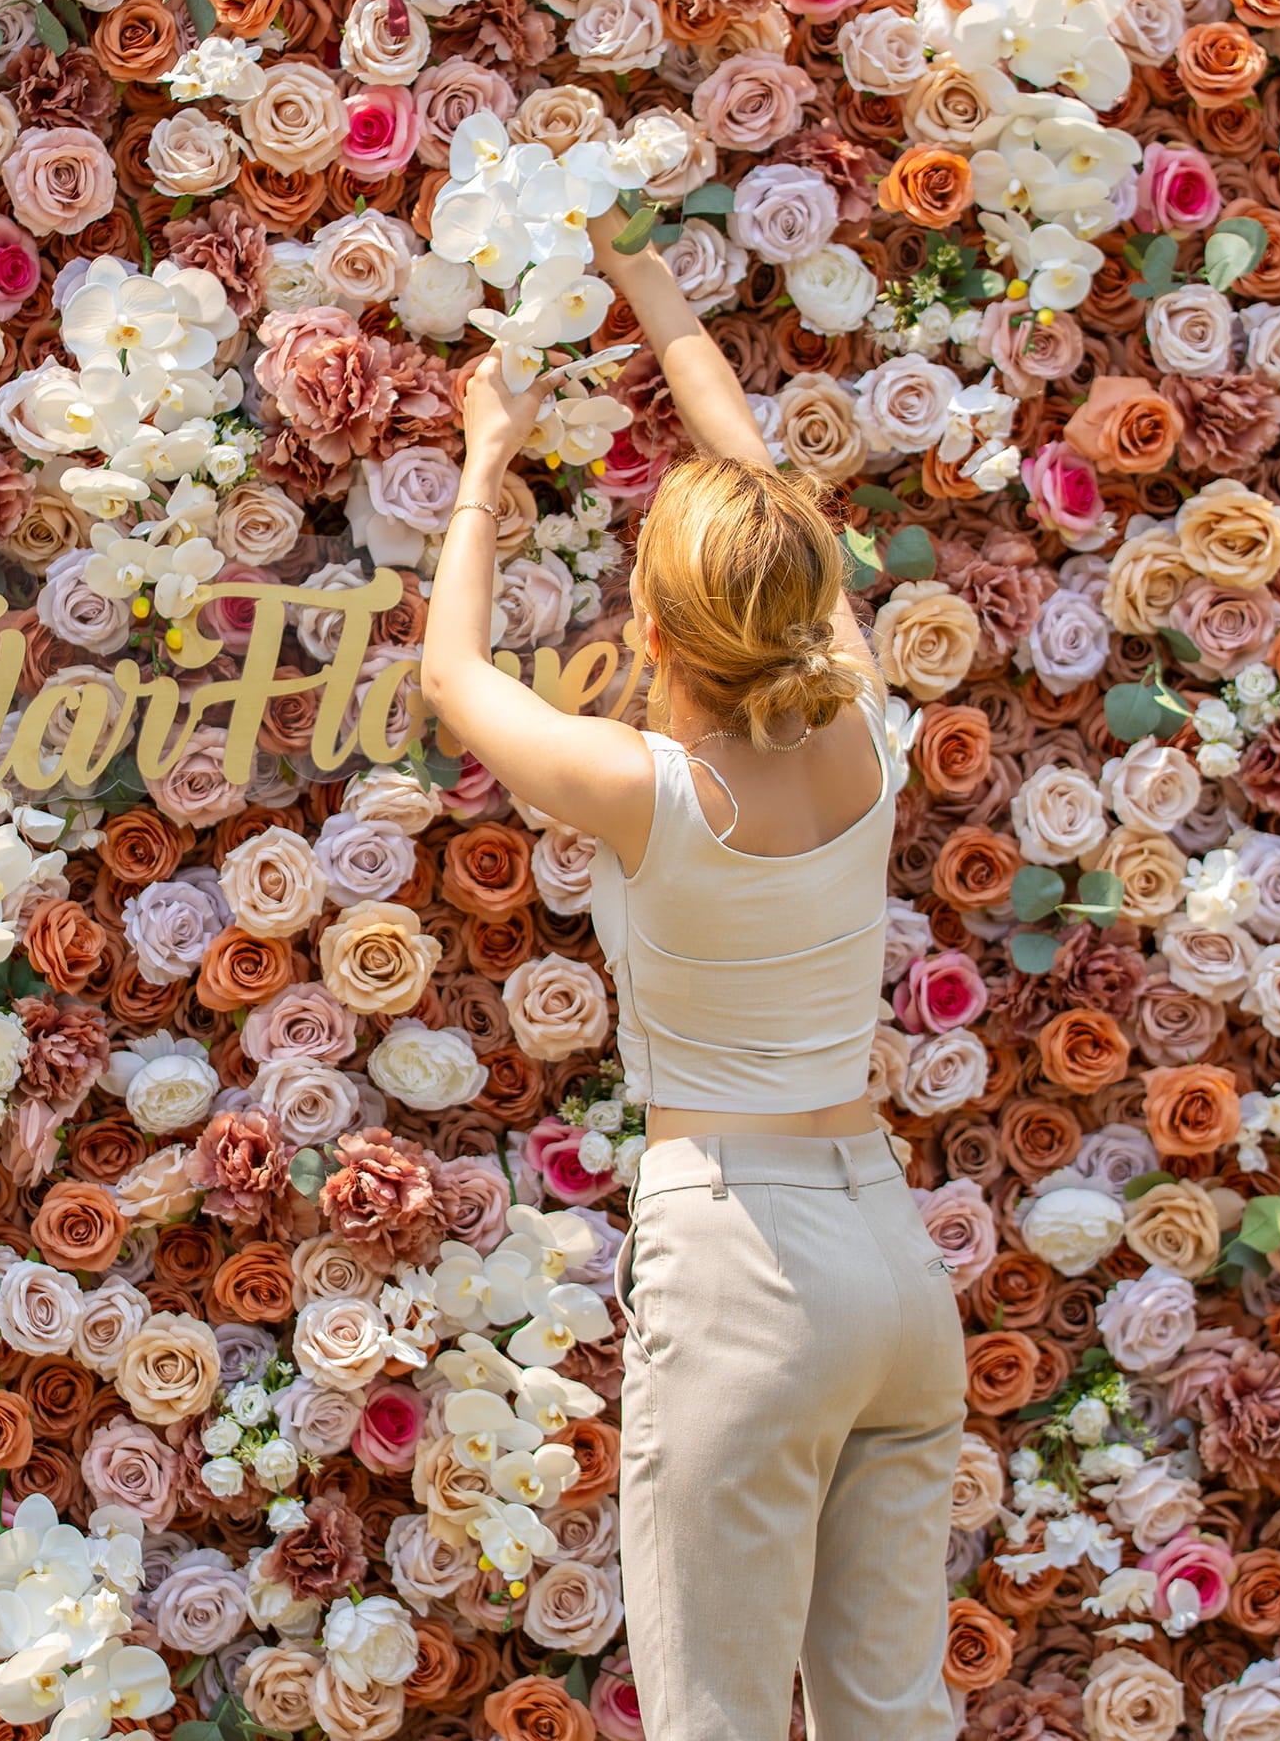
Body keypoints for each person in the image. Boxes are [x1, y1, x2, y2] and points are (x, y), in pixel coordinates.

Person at [419, 212, 966, 1741]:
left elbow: (453, 677)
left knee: (712, 1720)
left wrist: (484, 462)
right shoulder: (862, 723)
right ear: (798, 604)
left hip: (748, 1272)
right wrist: (647, 279)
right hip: (891, 1267)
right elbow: (756, 465)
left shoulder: (652, 791)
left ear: (652, 628)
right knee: (895, 1723)